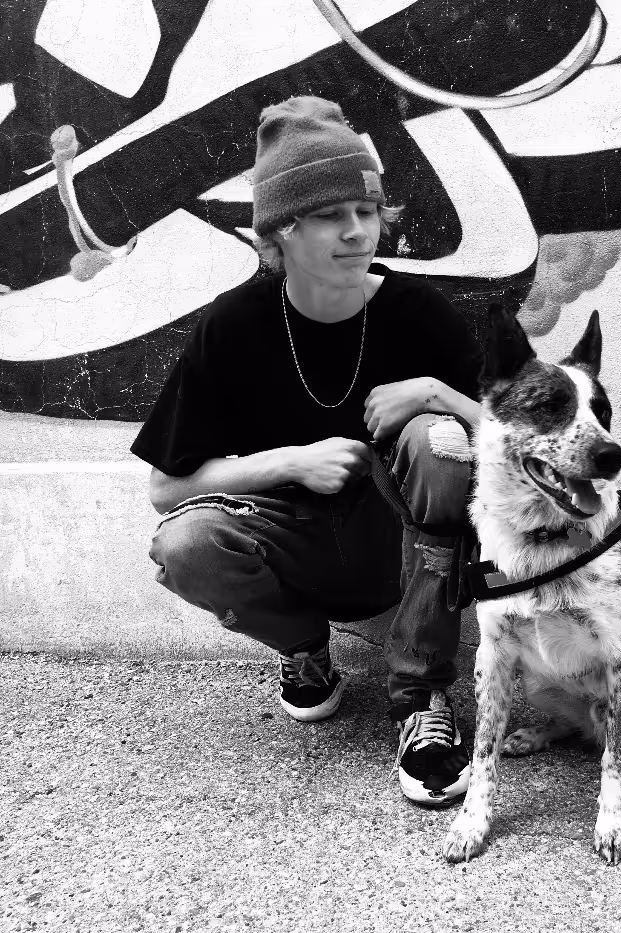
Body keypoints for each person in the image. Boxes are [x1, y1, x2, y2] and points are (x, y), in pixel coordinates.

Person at [130, 96, 483, 807]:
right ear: (280, 232)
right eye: (330, 215)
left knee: (440, 443)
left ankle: (421, 697)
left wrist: (437, 394)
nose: (359, 232)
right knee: (185, 543)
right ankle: (304, 647)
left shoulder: (421, 315)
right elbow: (166, 488)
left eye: (369, 209)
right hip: (291, 545)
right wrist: (293, 461)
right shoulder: (233, 328)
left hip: (405, 546)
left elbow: (513, 443)